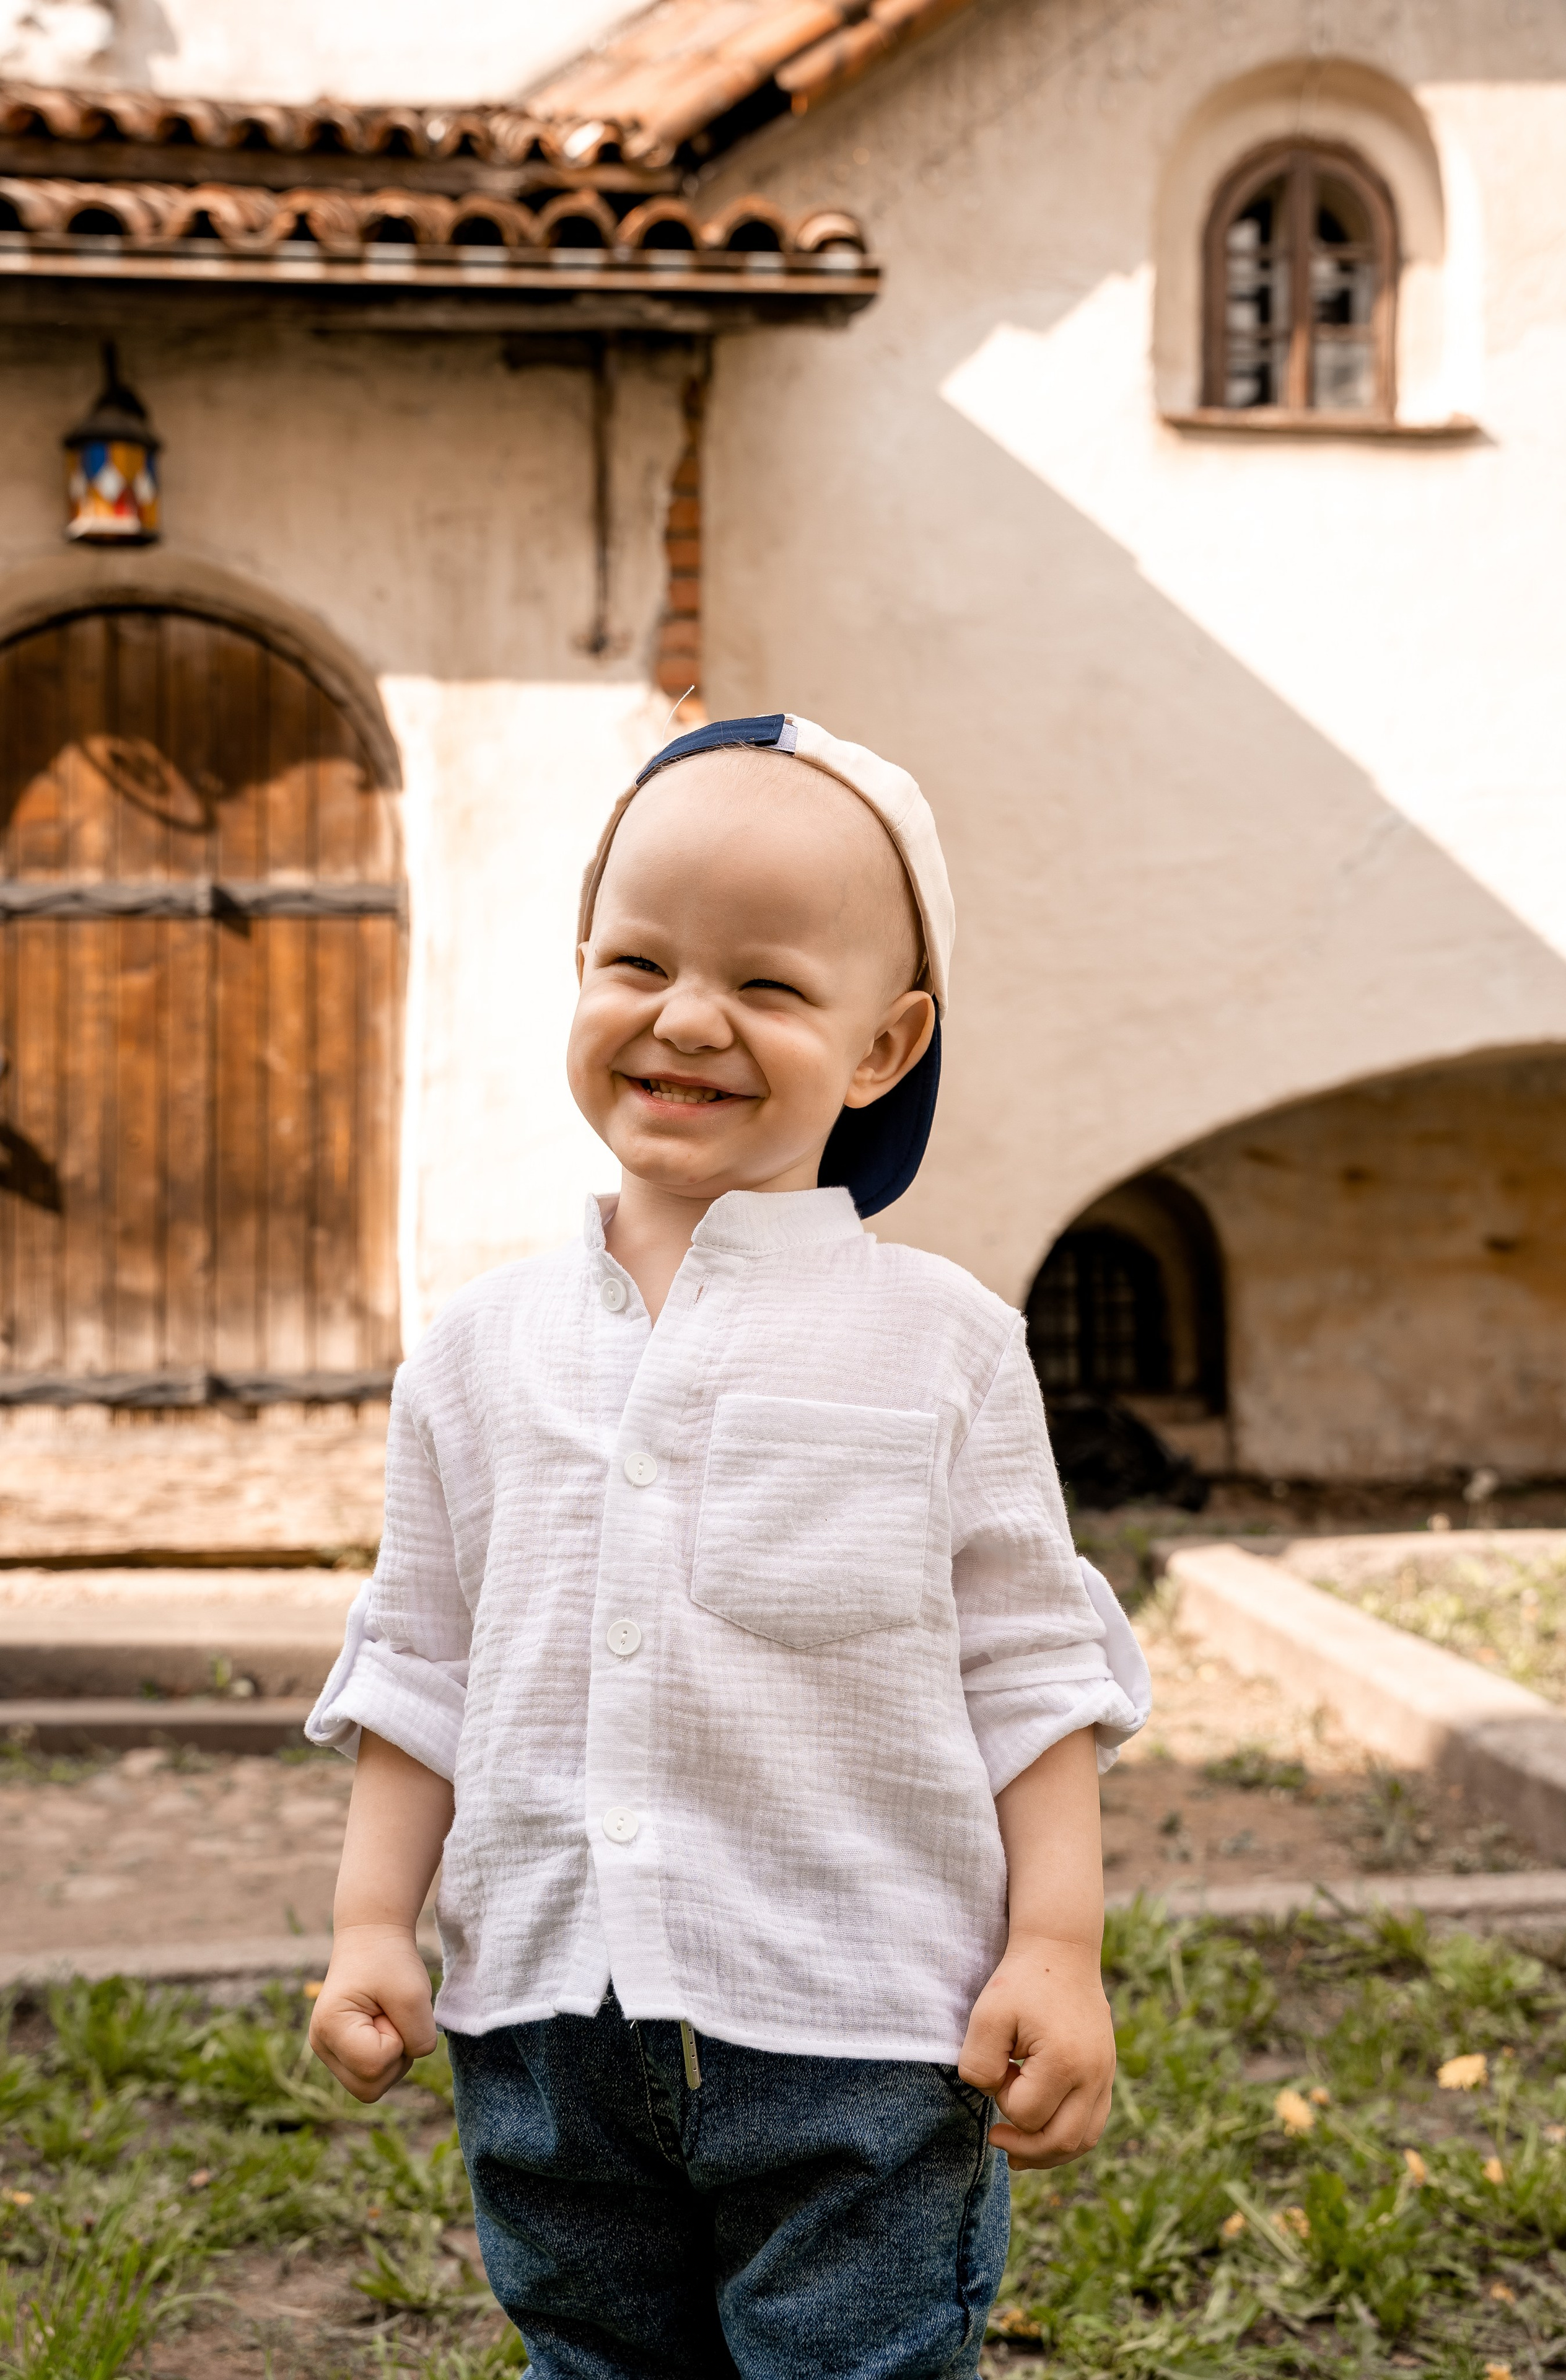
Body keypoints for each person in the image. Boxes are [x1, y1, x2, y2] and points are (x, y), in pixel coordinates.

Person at [305, 713, 1150, 2379]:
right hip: (544, 2021)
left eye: (766, 984)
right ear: (578, 971)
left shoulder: (947, 1346)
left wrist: (1057, 1944)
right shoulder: (475, 1348)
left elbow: (1029, 1672)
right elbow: (421, 1659)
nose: (686, 1015)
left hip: (860, 2031)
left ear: (885, 1044)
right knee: (595, 2360)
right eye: (638, 958)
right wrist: (369, 1921)